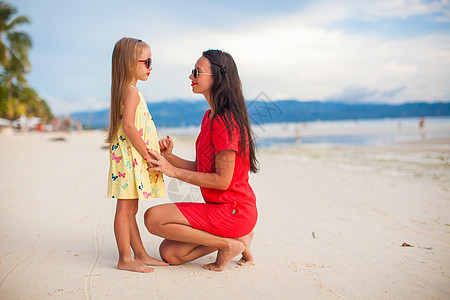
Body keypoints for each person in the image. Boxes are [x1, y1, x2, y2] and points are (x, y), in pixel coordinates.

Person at [144, 49, 259, 271]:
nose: (191, 77)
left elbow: (221, 181)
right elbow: (204, 169)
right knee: (171, 253)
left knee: (153, 218)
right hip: (221, 208)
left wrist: (172, 172)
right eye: (192, 72)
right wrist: (170, 159)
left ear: (217, 78)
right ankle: (236, 241)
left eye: (197, 72)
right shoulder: (209, 117)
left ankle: (230, 243)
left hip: (234, 210)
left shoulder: (226, 121)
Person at [106, 37, 168, 273]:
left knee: (131, 209)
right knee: (125, 209)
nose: (151, 67)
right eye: (147, 62)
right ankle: (125, 258)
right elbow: (130, 127)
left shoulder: (130, 91)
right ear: (130, 63)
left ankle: (139, 253)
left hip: (132, 157)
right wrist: (147, 154)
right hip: (130, 158)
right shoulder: (131, 92)